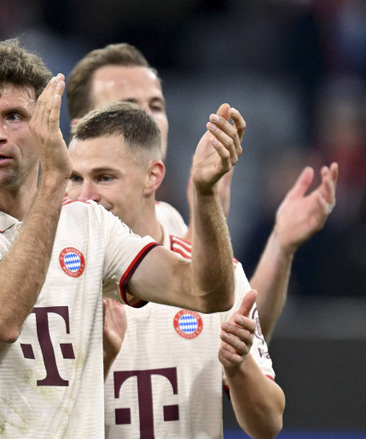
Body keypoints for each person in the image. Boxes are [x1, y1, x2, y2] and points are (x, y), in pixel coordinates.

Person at [0, 38, 241, 439]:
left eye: (14, 116)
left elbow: (206, 292)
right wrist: (55, 181)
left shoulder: (89, 224)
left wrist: (203, 195)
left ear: (44, 126)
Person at [66, 42, 339, 341]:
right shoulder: (57, 236)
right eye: (128, 107)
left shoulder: (167, 220)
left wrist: (280, 246)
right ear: (82, 128)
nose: (150, 120)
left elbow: (224, 330)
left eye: (156, 106)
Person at [66, 101, 285, 439]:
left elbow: (269, 425)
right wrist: (100, 360)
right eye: (75, 178)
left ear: (153, 177)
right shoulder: (53, 282)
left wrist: (240, 365)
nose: (86, 197)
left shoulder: (218, 279)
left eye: (105, 177)